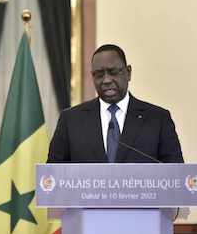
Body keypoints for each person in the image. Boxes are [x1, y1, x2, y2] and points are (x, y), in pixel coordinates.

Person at [48, 44, 184, 163]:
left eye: (113, 72)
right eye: (99, 74)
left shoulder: (158, 119)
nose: (106, 80)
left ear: (128, 73)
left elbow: (176, 176)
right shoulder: (71, 120)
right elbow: (53, 177)